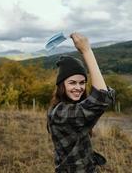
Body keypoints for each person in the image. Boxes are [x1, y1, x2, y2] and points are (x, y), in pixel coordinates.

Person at [47, 32, 115, 173]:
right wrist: (86, 51)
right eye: (72, 83)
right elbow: (102, 98)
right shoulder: (60, 113)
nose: (78, 88)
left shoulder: (70, 108)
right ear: (61, 85)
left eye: (82, 82)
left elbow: (106, 96)